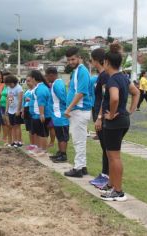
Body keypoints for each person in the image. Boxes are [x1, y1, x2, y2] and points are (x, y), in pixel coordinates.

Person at [100, 43, 140, 201]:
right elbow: (136, 92)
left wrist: (111, 115)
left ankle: (118, 191)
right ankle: (111, 185)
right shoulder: (124, 77)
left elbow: (115, 98)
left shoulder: (112, 81)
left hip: (115, 122)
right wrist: (130, 110)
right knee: (111, 155)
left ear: (106, 63)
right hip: (123, 120)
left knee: (114, 156)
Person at [64, 47, 92, 178]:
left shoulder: (82, 71)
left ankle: (78, 168)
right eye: (69, 60)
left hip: (79, 111)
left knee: (78, 141)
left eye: (73, 59)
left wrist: (69, 108)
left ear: (80, 58)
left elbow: (81, 92)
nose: (71, 61)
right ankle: (82, 166)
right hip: (77, 111)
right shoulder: (76, 71)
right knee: (79, 140)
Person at [88, 48, 110, 188]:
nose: (91, 62)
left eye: (91, 59)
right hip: (97, 113)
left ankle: (106, 176)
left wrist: (100, 117)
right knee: (104, 146)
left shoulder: (104, 76)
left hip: (102, 116)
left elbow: (105, 98)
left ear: (96, 60)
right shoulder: (101, 76)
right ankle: (104, 174)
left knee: (107, 148)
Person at [45, 67, 69, 163]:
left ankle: (63, 155)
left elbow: (63, 98)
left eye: (47, 76)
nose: (46, 78)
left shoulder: (57, 84)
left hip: (60, 115)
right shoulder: (55, 83)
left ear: (52, 75)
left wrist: (65, 109)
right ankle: (60, 152)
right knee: (59, 135)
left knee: (62, 136)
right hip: (56, 115)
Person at [28, 70, 52, 155]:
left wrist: (41, 114)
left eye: (30, 78)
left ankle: (43, 149)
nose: (29, 80)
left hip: (41, 115)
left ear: (34, 78)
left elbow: (41, 102)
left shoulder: (41, 88)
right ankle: (38, 147)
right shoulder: (38, 87)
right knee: (38, 132)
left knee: (42, 133)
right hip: (36, 114)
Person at [5, 75, 24, 148]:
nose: (9, 85)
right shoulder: (8, 88)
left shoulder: (19, 88)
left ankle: (19, 141)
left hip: (17, 110)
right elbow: (8, 98)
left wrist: (18, 110)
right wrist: (7, 109)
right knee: (12, 126)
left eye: (10, 83)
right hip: (11, 110)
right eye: (8, 84)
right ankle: (14, 141)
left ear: (14, 82)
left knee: (17, 126)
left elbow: (20, 100)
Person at [22, 73, 36, 152]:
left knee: (33, 129)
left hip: (32, 110)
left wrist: (30, 100)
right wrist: (23, 111)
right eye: (26, 81)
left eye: (29, 81)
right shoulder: (27, 91)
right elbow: (24, 102)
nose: (27, 83)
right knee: (29, 129)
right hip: (26, 109)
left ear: (33, 81)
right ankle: (31, 144)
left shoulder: (35, 90)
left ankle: (35, 145)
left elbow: (38, 102)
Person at [0, 74, 12, 145]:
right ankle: (8, 140)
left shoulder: (11, 87)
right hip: (2, 107)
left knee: (10, 124)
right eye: (3, 78)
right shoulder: (4, 86)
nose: (4, 80)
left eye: (6, 78)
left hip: (8, 108)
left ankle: (11, 140)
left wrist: (8, 108)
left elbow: (10, 99)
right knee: (6, 124)